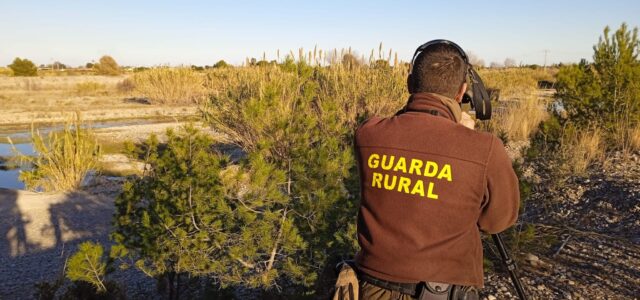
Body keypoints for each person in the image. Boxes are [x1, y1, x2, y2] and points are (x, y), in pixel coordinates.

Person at [350, 40, 520, 299]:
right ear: (463, 92)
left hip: (372, 289)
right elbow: (497, 221)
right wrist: (460, 133)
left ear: (409, 85)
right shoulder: (485, 149)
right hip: (444, 292)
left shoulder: (368, 134)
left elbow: (404, 131)